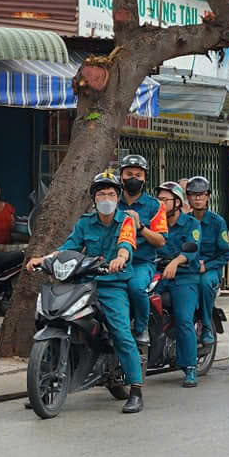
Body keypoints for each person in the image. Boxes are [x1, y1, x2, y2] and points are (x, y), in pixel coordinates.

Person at [25, 171, 144, 414]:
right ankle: (44, 386)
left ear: (118, 197)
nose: (106, 198)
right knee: (53, 317)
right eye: (101, 193)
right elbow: (67, 248)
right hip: (83, 283)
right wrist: (42, 259)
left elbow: (126, 244)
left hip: (113, 284)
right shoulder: (85, 222)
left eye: (111, 193)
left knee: (121, 333)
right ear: (94, 198)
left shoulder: (126, 221)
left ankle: (136, 389)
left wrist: (121, 258)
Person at [154, 182, 202, 387]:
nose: (161, 203)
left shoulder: (191, 224)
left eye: (165, 199)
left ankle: (190, 367)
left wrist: (175, 261)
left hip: (184, 277)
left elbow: (192, 249)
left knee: (183, 319)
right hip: (157, 275)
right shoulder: (154, 223)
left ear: (177, 202)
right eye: (159, 200)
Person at [118, 154, 168, 346]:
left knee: (136, 287)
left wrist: (140, 227)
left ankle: (141, 329)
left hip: (141, 263)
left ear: (145, 178)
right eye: (129, 174)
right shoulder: (112, 200)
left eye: (138, 175)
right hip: (113, 260)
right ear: (121, 176)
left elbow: (161, 241)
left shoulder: (155, 206)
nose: (133, 178)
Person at [185, 176, 229, 346]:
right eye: (193, 195)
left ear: (208, 196)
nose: (197, 198)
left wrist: (207, 265)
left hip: (210, 270)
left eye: (201, 194)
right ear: (187, 197)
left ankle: (206, 325)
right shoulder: (185, 221)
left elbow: (225, 254)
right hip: (188, 268)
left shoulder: (217, 222)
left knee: (204, 283)